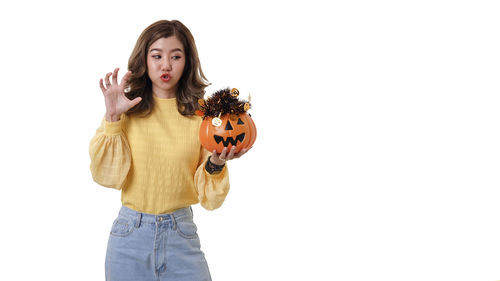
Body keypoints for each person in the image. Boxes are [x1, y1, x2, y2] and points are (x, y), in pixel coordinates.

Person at [89, 20, 250, 281]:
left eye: (176, 56)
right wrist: (112, 118)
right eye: (157, 56)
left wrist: (217, 163)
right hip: (130, 237)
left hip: (181, 235)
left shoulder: (203, 118)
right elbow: (106, 176)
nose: (166, 65)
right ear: (145, 59)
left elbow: (210, 198)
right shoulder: (126, 110)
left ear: (187, 62)